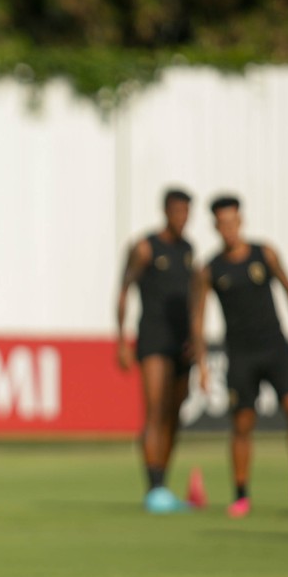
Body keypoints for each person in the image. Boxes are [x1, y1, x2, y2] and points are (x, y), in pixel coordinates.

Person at [191, 195, 288, 518]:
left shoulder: (264, 253)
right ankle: (241, 493)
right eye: (222, 224)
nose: (228, 229)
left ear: (240, 221)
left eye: (233, 222)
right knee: (243, 423)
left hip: (275, 347)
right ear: (216, 226)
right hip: (241, 353)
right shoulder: (211, 269)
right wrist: (202, 365)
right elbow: (198, 318)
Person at [116, 188, 205, 513]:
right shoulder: (144, 247)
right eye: (177, 211)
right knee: (154, 410)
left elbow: (193, 298)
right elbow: (124, 290)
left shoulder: (188, 250)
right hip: (153, 338)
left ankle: (164, 484)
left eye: (187, 212)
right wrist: (122, 340)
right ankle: (153, 489)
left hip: (182, 342)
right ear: (166, 211)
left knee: (174, 414)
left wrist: (196, 340)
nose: (182, 218)